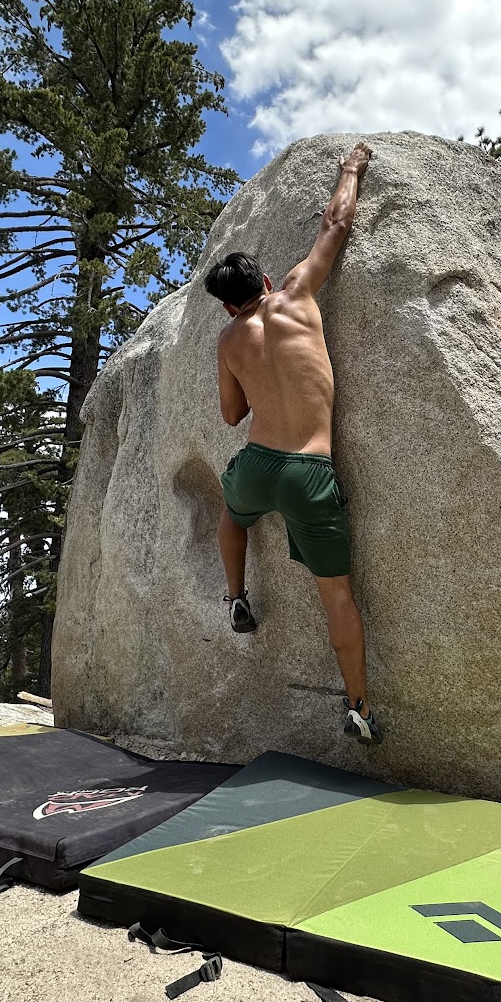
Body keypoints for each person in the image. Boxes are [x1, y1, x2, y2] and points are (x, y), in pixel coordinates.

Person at [203, 142, 379, 744]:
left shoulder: (228, 341)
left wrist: (252, 374)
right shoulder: (300, 295)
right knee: (337, 598)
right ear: (269, 281)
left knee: (232, 515)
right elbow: (337, 222)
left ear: (228, 304)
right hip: (309, 469)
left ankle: (235, 598)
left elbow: (231, 416)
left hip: (258, 464)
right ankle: (358, 708)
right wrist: (350, 168)